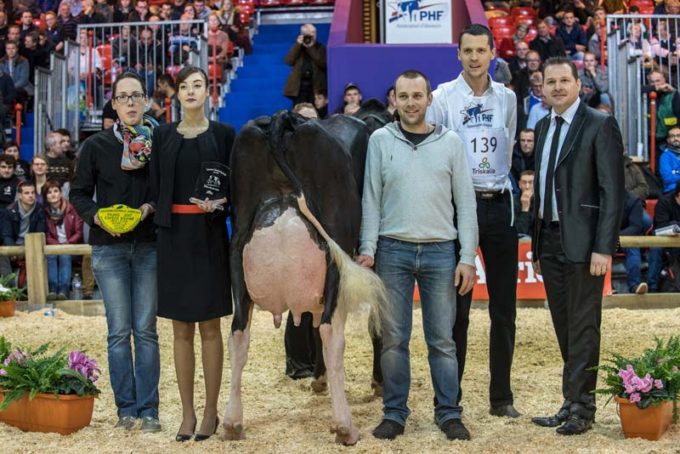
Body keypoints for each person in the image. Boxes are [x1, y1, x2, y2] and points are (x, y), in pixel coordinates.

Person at [357, 69, 478, 441]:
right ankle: (394, 412)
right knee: (393, 338)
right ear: (394, 100)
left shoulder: (451, 143)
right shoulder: (379, 140)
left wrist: (467, 256)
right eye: (404, 96)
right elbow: (371, 199)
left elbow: (467, 204)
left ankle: (448, 412)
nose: (411, 103)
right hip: (392, 250)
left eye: (418, 96)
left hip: (442, 251)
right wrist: (367, 249)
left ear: (429, 100)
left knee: (442, 339)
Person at [427, 23, 521, 419]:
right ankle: (449, 400)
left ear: (492, 53)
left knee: (504, 309)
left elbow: (510, 144)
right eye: (468, 51)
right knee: (457, 313)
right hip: (458, 208)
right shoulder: (443, 97)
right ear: (458, 54)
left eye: (482, 50)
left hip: (499, 205)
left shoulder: (508, 98)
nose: (475, 58)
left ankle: (501, 398)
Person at [531, 56, 624, 435]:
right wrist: (537, 245)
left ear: (578, 84)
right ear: (542, 88)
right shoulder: (541, 126)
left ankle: (583, 409)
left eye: (563, 80)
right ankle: (571, 400)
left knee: (584, 326)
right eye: (550, 82)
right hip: (550, 240)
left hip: (586, 245)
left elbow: (612, 191)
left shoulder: (599, 124)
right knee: (564, 325)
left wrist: (604, 247)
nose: (556, 87)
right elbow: (539, 189)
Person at [70, 72, 161, 432]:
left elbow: (166, 189)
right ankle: (127, 409)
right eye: (123, 97)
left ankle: (149, 409)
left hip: (149, 244)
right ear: (113, 103)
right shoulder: (95, 147)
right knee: (119, 331)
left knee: (146, 330)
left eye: (136, 95)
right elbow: (78, 194)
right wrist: (96, 218)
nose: (130, 103)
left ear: (146, 100)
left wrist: (150, 208)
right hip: (108, 248)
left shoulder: (160, 142)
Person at [149, 66, 234, 442]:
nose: (190, 91)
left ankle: (212, 412)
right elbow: (153, 187)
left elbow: (238, 188)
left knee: (211, 328)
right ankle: (187, 413)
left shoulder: (225, 135)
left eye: (197, 85)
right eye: (184, 86)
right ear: (177, 94)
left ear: (208, 91)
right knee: (179, 329)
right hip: (172, 240)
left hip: (210, 236)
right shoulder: (162, 135)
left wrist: (223, 202)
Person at [43, 179, 83, 300]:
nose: (53, 194)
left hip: (72, 246)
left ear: (61, 193)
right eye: (49, 192)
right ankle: (53, 290)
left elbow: (79, 232)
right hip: (53, 247)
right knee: (52, 255)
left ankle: (64, 291)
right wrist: (56, 245)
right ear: (46, 196)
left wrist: (67, 244)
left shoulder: (72, 209)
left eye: (56, 191)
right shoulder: (44, 212)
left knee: (64, 254)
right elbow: (46, 234)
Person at [283, 23, 327, 104]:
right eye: (310, 33)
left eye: (314, 32)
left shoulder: (320, 47)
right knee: (299, 110)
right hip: (300, 86)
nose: (313, 35)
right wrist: (297, 45)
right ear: (302, 34)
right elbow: (288, 61)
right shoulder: (298, 46)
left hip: (315, 86)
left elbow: (323, 63)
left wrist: (310, 48)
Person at [1, 180, 45, 247]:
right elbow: (7, 236)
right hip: (13, 245)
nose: (31, 196)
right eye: (27, 193)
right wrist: (15, 252)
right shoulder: (9, 211)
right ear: (20, 196)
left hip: (32, 246)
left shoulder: (39, 209)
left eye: (33, 193)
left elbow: (39, 234)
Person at [620, 191, 647, 294]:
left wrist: (615, 237)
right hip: (603, 236)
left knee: (632, 246)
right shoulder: (599, 196)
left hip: (623, 237)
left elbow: (636, 226)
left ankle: (635, 286)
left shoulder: (633, 200)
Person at [659, 125, 680, 193]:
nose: (676, 138)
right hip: (673, 191)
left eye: (678, 136)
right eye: (672, 136)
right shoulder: (664, 157)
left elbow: (673, 177)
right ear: (668, 140)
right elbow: (668, 178)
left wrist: (676, 173)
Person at [514, 170, 535, 236]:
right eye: (524, 182)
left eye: (530, 182)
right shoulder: (513, 201)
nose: (527, 187)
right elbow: (520, 232)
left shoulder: (542, 201)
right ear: (519, 184)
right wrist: (525, 208)